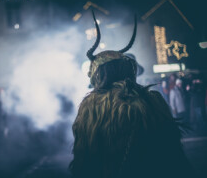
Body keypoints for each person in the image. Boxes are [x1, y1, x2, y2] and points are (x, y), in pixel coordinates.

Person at [70, 11, 195, 178]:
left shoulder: (91, 105)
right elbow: (171, 149)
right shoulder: (151, 99)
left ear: (98, 73)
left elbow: (83, 156)